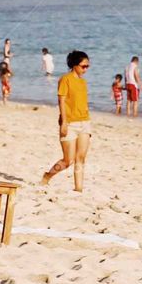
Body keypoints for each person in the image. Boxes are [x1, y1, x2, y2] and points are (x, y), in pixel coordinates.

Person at [42, 50, 92, 192]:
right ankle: (47, 176)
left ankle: (79, 188)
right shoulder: (65, 79)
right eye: (83, 66)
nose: (86, 69)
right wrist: (64, 122)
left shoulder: (83, 82)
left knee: (81, 158)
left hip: (85, 123)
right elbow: (61, 101)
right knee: (67, 161)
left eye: (88, 66)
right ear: (74, 65)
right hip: (69, 123)